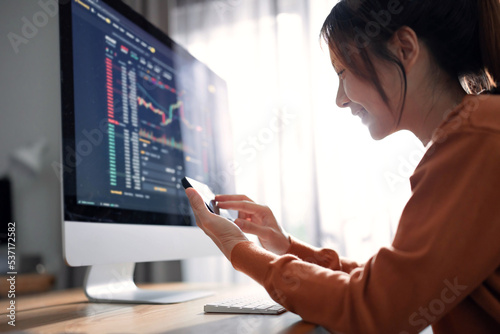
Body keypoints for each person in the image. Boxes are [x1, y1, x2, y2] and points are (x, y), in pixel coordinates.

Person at [185, 0, 500, 333]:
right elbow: (393, 285)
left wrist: (240, 250)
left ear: (405, 49)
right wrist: (287, 245)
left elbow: (374, 310)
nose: (340, 98)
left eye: (343, 72)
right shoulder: (475, 131)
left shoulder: (475, 137)